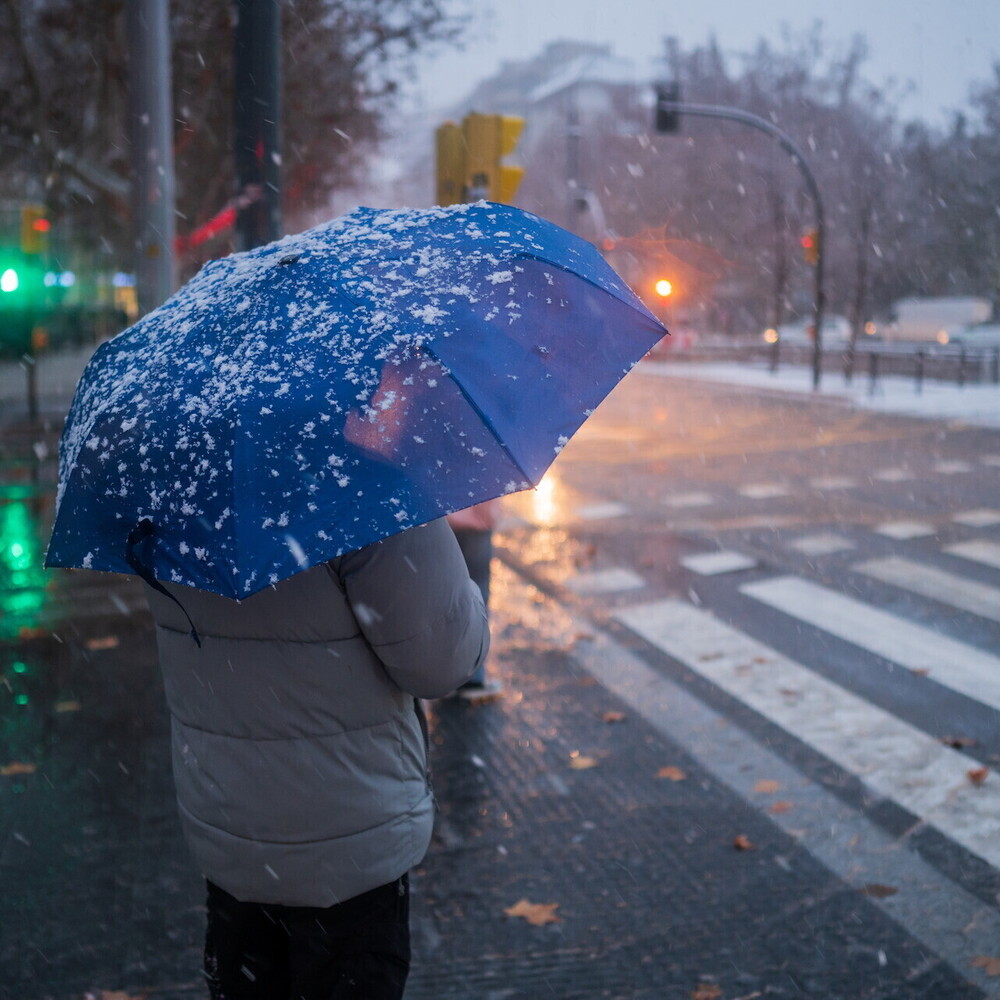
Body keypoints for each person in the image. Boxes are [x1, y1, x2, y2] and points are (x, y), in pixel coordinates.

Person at [143, 518, 490, 1000]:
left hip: (230, 829)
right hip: (352, 842)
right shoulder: (369, 489)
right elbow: (443, 662)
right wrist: (466, 589)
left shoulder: (175, 488)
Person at [446, 499, 501, 696]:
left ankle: (443, 673)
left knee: (444, 595)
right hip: (475, 517)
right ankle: (471, 676)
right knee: (476, 597)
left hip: (439, 518)